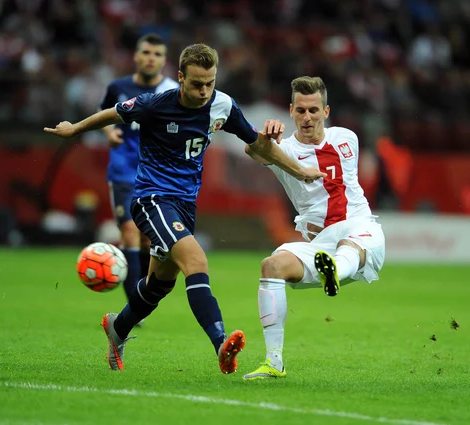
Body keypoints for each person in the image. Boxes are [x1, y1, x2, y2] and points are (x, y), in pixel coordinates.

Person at [44, 44, 326, 374]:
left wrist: (301, 171)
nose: (204, 91)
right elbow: (114, 113)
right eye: (196, 84)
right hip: (152, 199)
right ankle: (221, 343)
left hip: (184, 206)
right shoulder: (155, 105)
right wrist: (75, 128)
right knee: (196, 259)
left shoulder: (222, 105)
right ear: (180, 78)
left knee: (158, 286)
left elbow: (257, 144)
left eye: (209, 82)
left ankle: (117, 328)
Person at [242, 76, 386, 380]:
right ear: (291, 111)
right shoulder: (282, 150)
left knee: (350, 244)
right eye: (301, 110)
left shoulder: (347, 138)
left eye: (314, 110)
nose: (308, 117)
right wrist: (264, 139)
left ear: (326, 111)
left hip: (360, 228)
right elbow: (253, 152)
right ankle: (274, 362)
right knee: (271, 266)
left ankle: (332, 269)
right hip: (321, 243)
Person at [99, 33, 179, 306]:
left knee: (148, 239)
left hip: (153, 172)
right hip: (122, 169)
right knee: (130, 231)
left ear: (164, 60)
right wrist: (109, 132)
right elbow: (104, 114)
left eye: (157, 54)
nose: (150, 58)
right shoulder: (117, 87)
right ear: (136, 56)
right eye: (146, 52)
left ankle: (141, 299)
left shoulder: (170, 92)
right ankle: (133, 302)